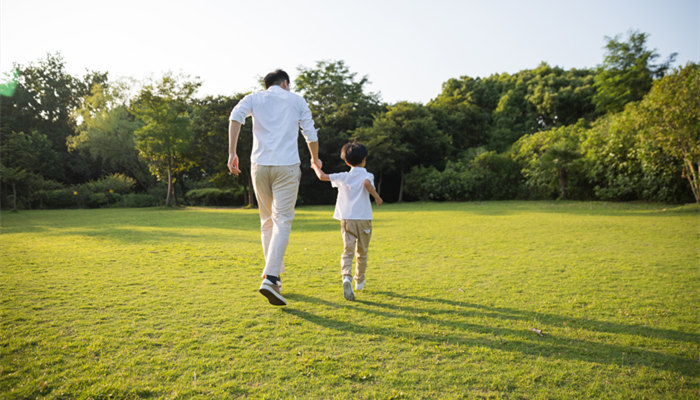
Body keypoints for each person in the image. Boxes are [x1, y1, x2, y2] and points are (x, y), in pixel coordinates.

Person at [228, 69, 321, 306]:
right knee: (282, 221)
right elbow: (309, 132)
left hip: (259, 165)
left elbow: (235, 116)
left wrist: (232, 153)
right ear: (285, 83)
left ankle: (274, 277)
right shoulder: (296, 100)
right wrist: (314, 159)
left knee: (267, 221)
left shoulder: (254, 98)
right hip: (287, 166)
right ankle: (270, 277)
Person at [310, 142, 383, 301]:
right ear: (364, 159)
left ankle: (346, 277)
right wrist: (376, 197)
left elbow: (322, 176)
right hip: (363, 219)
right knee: (362, 252)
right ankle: (359, 281)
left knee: (348, 250)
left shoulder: (343, 176)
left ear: (347, 162)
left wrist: (314, 165)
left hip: (347, 219)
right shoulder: (367, 175)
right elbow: (366, 183)